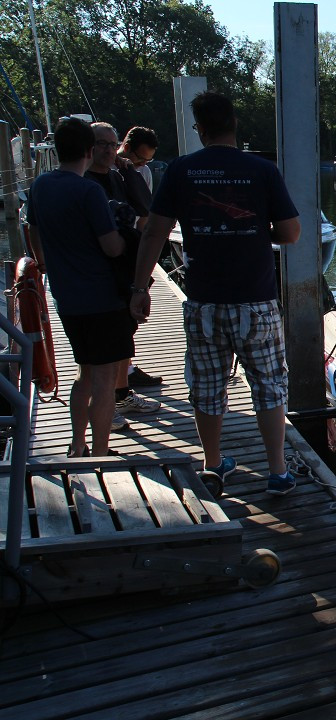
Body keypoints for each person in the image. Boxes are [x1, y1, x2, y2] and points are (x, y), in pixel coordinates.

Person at [130, 90, 301, 495]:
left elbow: (154, 231)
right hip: (257, 301)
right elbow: (291, 233)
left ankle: (212, 465)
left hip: (205, 302)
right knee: (269, 384)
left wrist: (139, 288)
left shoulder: (180, 170)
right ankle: (277, 472)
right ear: (235, 124)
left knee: (207, 386)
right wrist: (259, 234)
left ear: (199, 129)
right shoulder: (261, 170)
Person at [24, 117, 130, 457]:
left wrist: (43, 263)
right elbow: (111, 247)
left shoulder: (41, 186)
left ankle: (77, 443)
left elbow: (34, 232)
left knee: (83, 372)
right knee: (104, 378)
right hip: (101, 298)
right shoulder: (89, 190)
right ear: (88, 151)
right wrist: (131, 241)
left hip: (66, 298)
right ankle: (100, 451)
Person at [86, 121, 163, 420]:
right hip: (98, 273)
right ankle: (104, 414)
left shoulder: (121, 174)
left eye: (110, 144)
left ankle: (120, 396)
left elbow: (146, 210)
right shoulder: (85, 181)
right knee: (101, 351)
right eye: (101, 144)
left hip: (123, 272)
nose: (107, 150)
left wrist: (130, 170)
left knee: (122, 337)